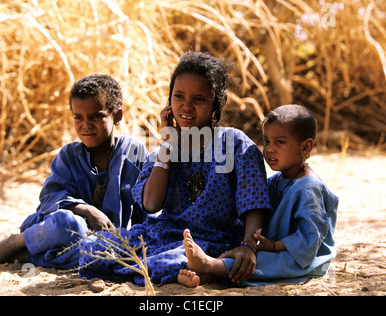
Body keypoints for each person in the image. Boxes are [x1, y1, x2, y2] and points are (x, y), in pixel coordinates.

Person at [78, 51, 271, 286]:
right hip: (162, 233)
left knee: (162, 263)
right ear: (169, 100)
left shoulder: (235, 143)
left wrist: (248, 246)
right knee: (92, 248)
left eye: (199, 99)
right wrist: (168, 146)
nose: (186, 106)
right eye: (178, 96)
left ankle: (203, 267)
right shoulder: (164, 149)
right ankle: (189, 271)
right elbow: (150, 204)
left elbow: (255, 203)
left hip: (210, 240)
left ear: (218, 103)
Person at [0, 74, 148, 269]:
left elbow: (144, 207)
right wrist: (87, 210)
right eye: (78, 117)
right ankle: (18, 241)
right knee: (69, 224)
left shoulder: (133, 152)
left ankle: (31, 256)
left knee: (108, 254)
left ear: (117, 116)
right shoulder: (69, 155)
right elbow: (50, 199)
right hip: (56, 228)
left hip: (100, 240)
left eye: (96, 116)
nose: (86, 124)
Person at [178, 104, 339, 287]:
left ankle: (210, 265)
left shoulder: (309, 188)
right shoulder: (275, 181)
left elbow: (310, 240)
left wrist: (273, 246)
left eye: (280, 142)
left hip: (303, 258)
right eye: (267, 141)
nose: (269, 149)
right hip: (274, 248)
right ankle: (207, 274)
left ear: (306, 147)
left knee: (263, 262)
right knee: (244, 255)